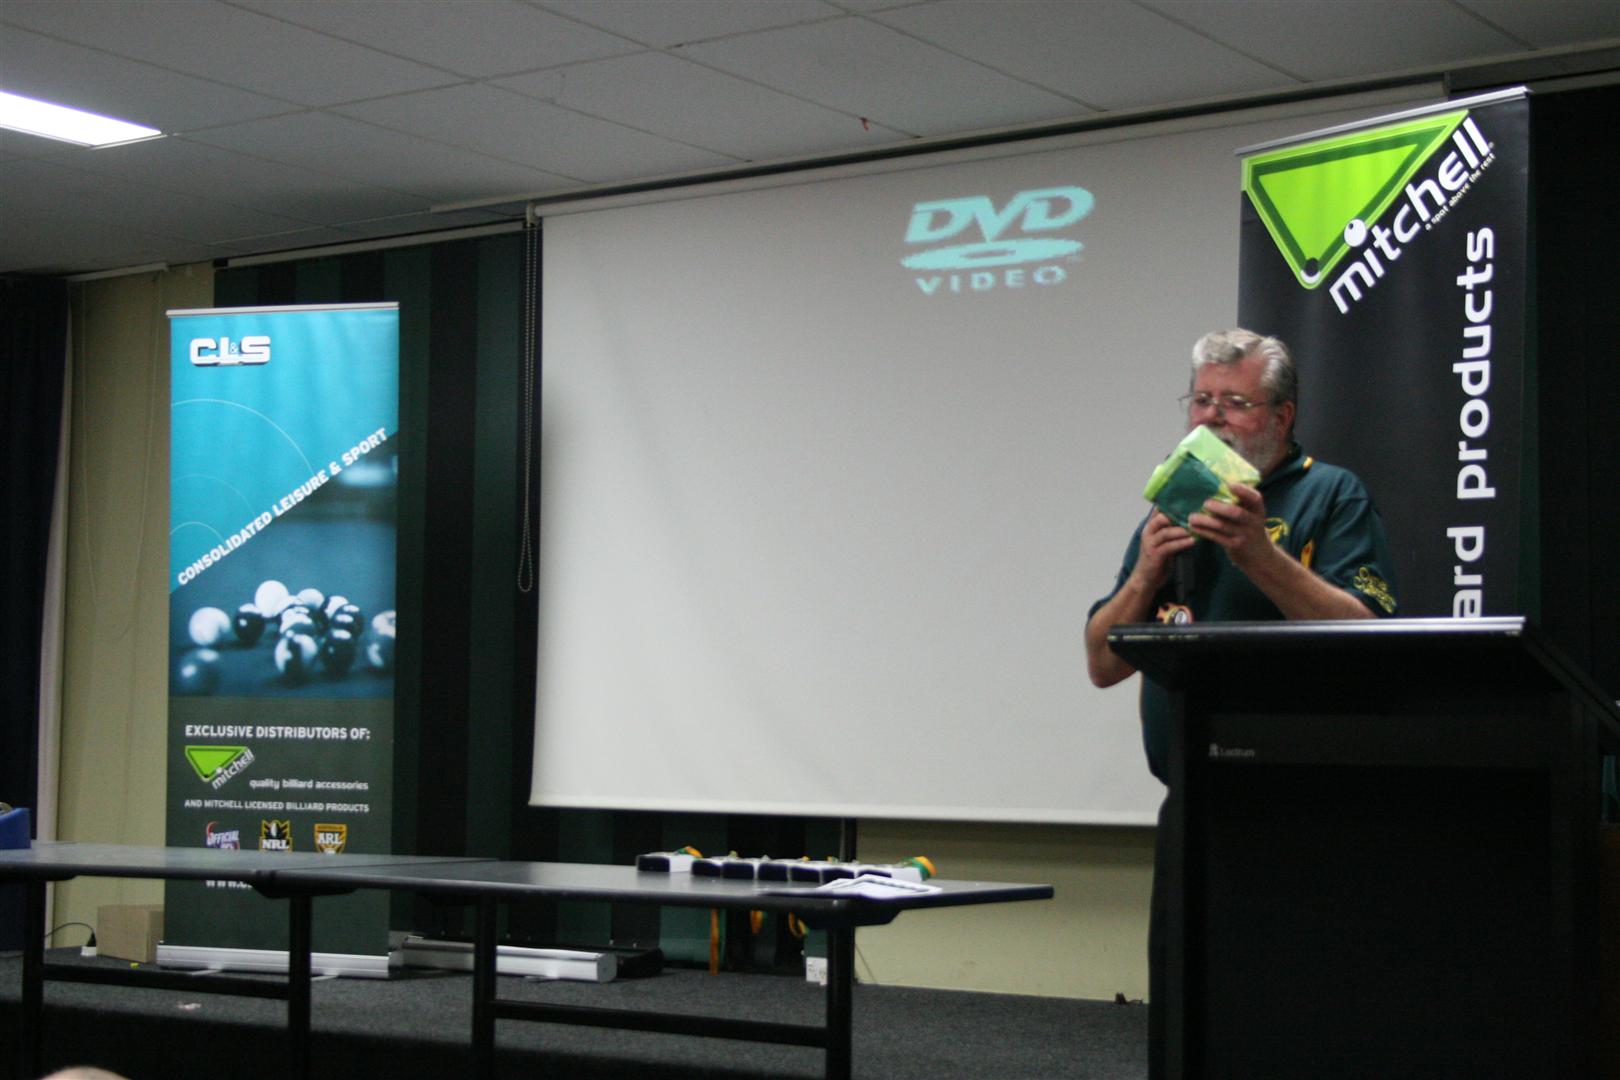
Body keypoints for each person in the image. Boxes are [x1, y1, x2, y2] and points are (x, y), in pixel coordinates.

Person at [1083, 328, 1397, 1078]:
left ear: (1282, 417)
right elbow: (1102, 662)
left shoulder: (1331, 493)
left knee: (1289, 1020)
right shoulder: (1176, 504)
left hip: (1301, 807)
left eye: (1236, 403)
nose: (1213, 418)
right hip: (1192, 802)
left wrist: (1258, 553)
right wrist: (1146, 572)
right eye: (1202, 401)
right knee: (1184, 1018)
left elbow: (1367, 637)